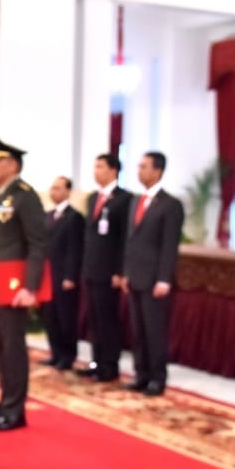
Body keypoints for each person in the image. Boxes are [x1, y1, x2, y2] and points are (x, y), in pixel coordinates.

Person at [0, 135, 47, 432]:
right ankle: (4, 401)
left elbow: (38, 244)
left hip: (15, 285)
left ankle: (16, 410)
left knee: (14, 346)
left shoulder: (25, 196)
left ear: (12, 164)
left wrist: (30, 287)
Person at [120, 152, 184, 397]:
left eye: (144, 167)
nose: (139, 171)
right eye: (139, 166)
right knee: (138, 331)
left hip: (155, 280)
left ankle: (157, 378)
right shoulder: (136, 201)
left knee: (154, 331)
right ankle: (141, 374)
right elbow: (130, 241)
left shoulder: (170, 205)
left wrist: (164, 279)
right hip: (135, 276)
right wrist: (126, 272)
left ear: (157, 171)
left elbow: (170, 245)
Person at [77, 153, 132, 382]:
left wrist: (120, 271)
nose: (95, 171)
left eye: (100, 166)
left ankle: (110, 365)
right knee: (95, 320)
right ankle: (97, 361)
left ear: (113, 170)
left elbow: (123, 240)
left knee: (108, 320)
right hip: (91, 269)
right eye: (95, 166)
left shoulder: (124, 199)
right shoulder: (93, 199)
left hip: (109, 272)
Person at [40, 175, 84, 371]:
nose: (54, 192)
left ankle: (68, 355)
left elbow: (76, 249)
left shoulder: (74, 217)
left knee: (66, 317)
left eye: (58, 188)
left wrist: (70, 276)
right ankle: (55, 352)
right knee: (50, 317)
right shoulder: (47, 216)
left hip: (64, 276)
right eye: (52, 188)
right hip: (47, 275)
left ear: (67, 191)